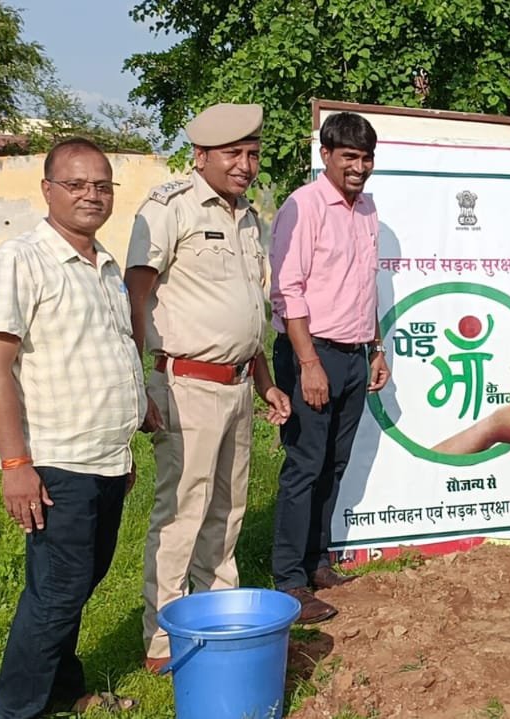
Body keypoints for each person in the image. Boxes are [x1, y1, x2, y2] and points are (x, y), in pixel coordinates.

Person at [0, 138, 144, 717]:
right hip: (56, 461)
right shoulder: (20, 259)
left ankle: (62, 690)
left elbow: (110, 351)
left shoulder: (105, 263)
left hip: (104, 457)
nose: (91, 195)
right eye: (76, 185)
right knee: (56, 592)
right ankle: (17, 709)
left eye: (101, 185)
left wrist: (122, 448)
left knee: (79, 583)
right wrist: (16, 465)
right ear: (47, 190)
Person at [126, 103, 291, 673]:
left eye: (252, 154)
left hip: (240, 385)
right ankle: (162, 636)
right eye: (233, 154)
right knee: (181, 513)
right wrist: (135, 381)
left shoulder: (250, 219)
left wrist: (266, 380)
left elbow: (248, 311)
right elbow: (136, 295)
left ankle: (218, 617)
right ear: (201, 156)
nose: (246, 165)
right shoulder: (170, 208)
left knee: (227, 509)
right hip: (185, 385)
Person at [270, 111, 390, 624]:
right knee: (304, 465)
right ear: (326, 156)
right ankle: (289, 579)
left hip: (355, 352)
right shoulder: (302, 207)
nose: (359, 167)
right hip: (310, 352)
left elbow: (366, 285)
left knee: (334, 464)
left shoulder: (367, 210)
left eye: (366, 158)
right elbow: (287, 291)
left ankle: (318, 562)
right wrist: (307, 363)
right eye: (349, 157)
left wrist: (378, 347)